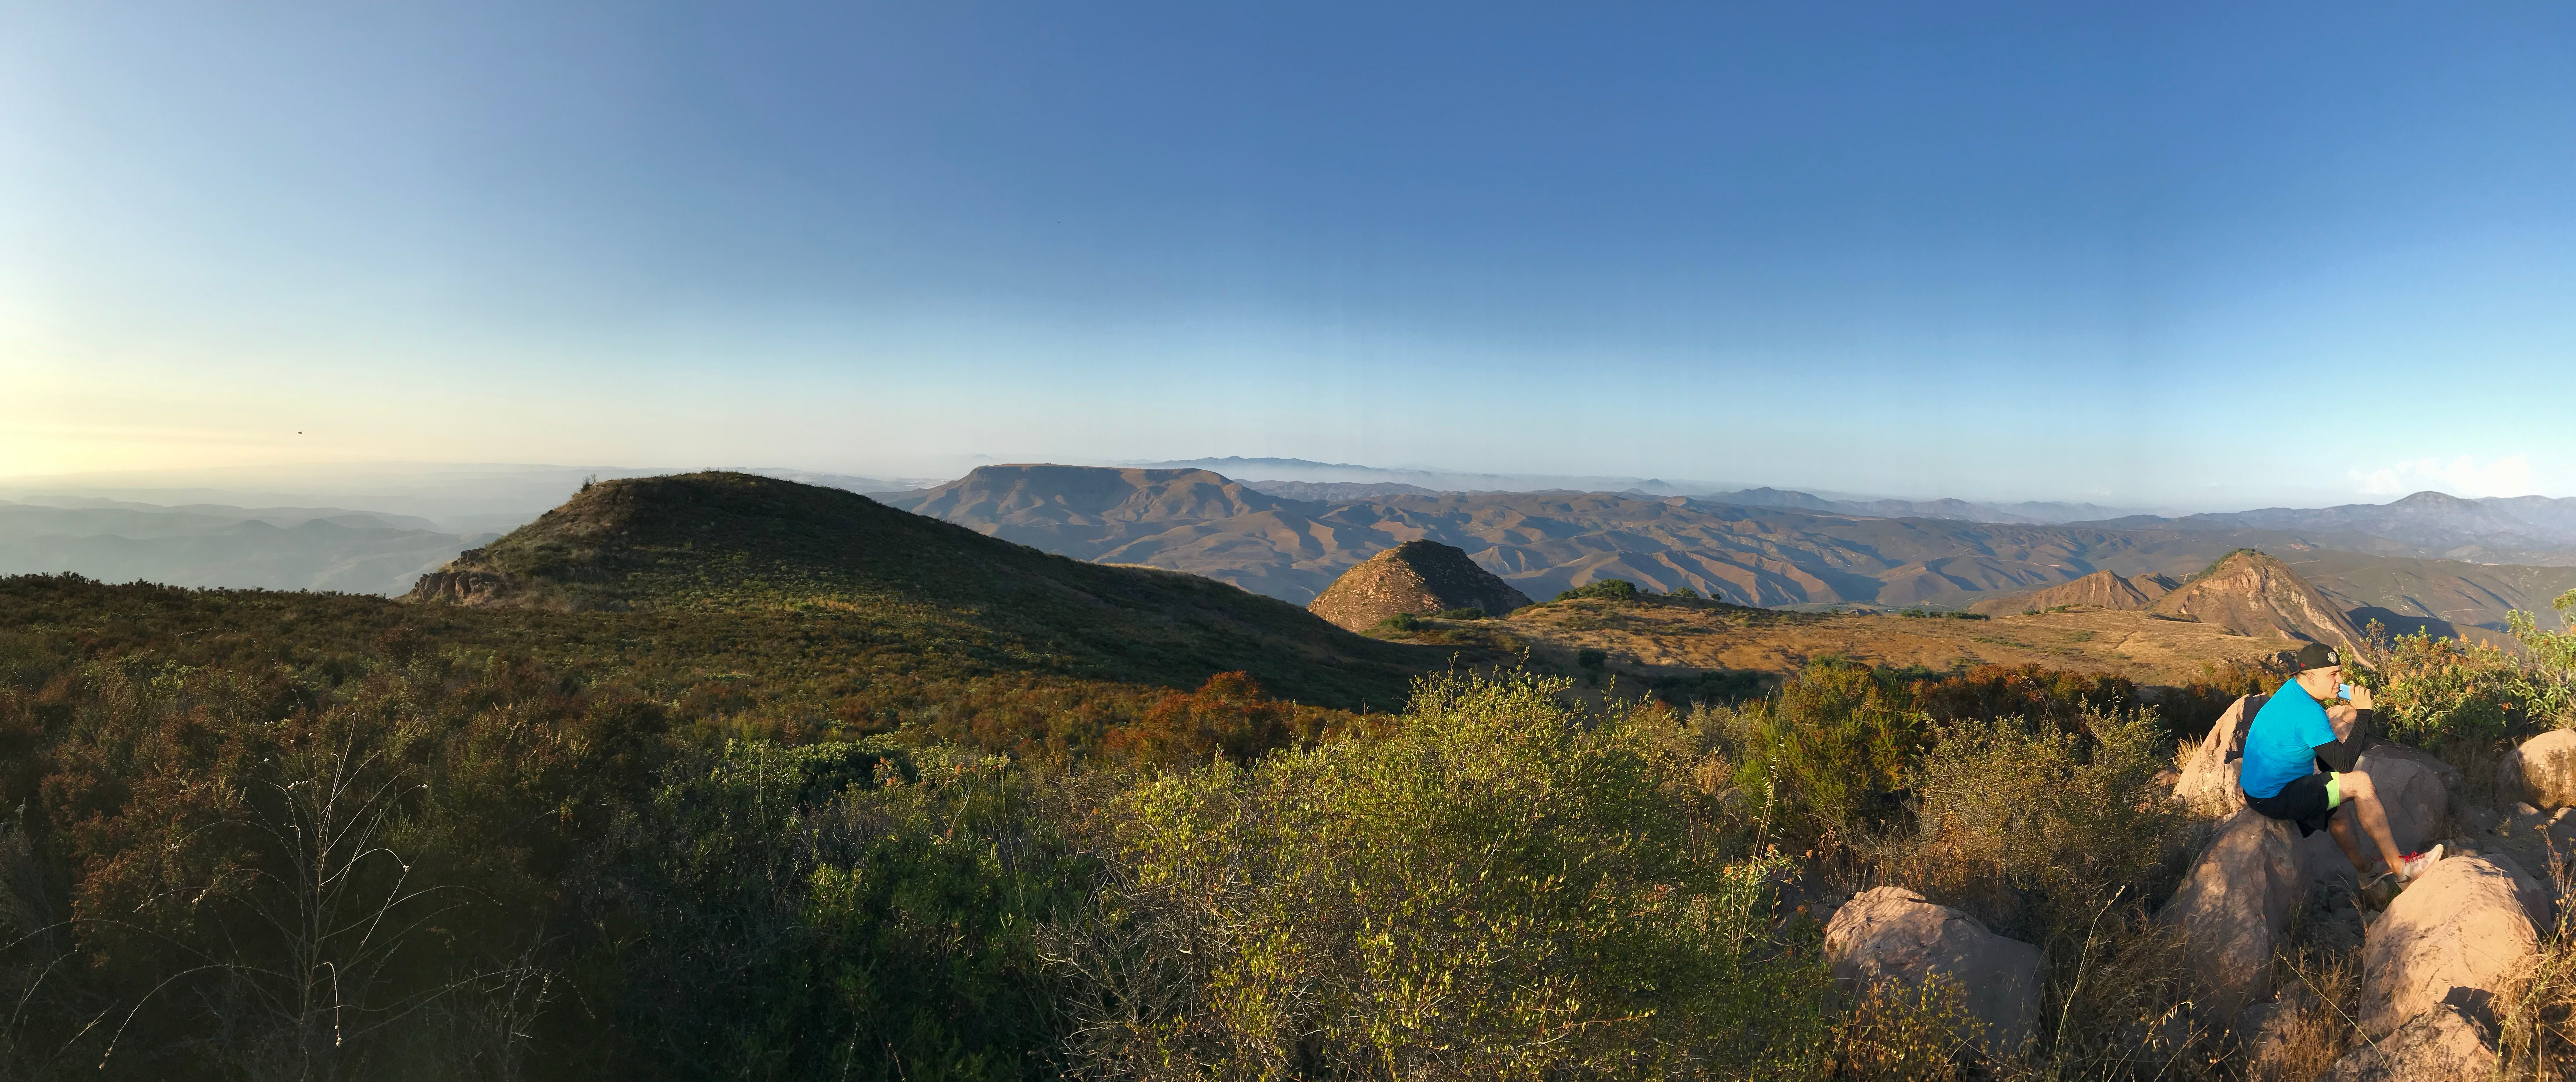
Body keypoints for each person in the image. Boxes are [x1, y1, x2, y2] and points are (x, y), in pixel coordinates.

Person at [2238, 642, 2442, 889]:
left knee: (2338, 807)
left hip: (2258, 791)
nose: (2340, 680)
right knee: (2360, 783)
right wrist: (2364, 713)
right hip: (2276, 796)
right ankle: (2402, 869)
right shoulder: (2309, 712)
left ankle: (2366, 873)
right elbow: (2345, 764)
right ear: (2311, 677)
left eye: (2339, 673)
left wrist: (2332, 777)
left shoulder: (2293, 691)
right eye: (2333, 674)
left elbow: (2325, 756)